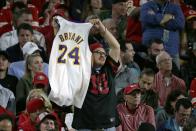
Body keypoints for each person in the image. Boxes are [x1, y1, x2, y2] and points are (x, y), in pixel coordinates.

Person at [72, 18, 120, 130]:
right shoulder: (80, 69)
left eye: (104, 53)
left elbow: (116, 47)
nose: (102, 55)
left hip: (108, 124)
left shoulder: (109, 69)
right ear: (89, 55)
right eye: (98, 52)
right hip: (86, 124)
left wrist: (102, 29)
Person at [140, 0, 185, 68]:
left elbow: (180, 23)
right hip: (151, 52)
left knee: (175, 77)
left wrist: (157, 18)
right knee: (148, 76)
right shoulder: (147, 6)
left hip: (171, 51)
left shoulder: (175, 7)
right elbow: (146, 18)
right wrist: (168, 17)